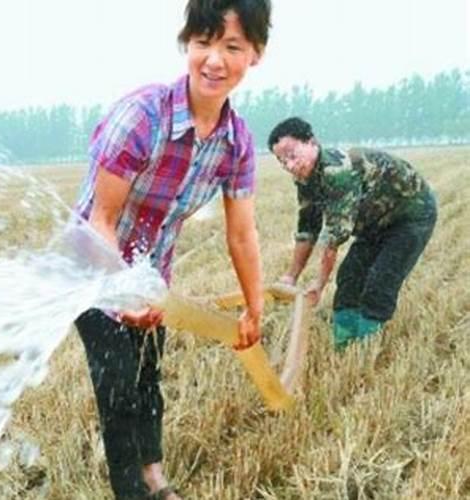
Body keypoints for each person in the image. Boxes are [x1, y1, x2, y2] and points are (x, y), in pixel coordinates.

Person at [72, 1, 270, 498]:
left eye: (232, 47)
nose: (214, 60)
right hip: (91, 266)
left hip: (150, 272)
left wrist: (254, 305)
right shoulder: (143, 115)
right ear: (188, 44)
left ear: (255, 54)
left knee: (149, 373)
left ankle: (154, 476)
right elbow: (102, 219)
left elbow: (242, 234)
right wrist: (121, 293)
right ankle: (131, 491)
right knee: (118, 384)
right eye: (203, 42)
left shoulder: (236, 143)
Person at [267, 117, 437, 350]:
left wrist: (318, 284)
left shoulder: (338, 172)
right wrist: (291, 276)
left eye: (292, 154)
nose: (289, 165)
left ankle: (366, 347)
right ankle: (344, 344)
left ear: (312, 143)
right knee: (349, 278)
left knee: (379, 282)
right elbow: (308, 228)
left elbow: (333, 237)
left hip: (409, 217)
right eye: (281, 160)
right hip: (373, 222)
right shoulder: (305, 179)